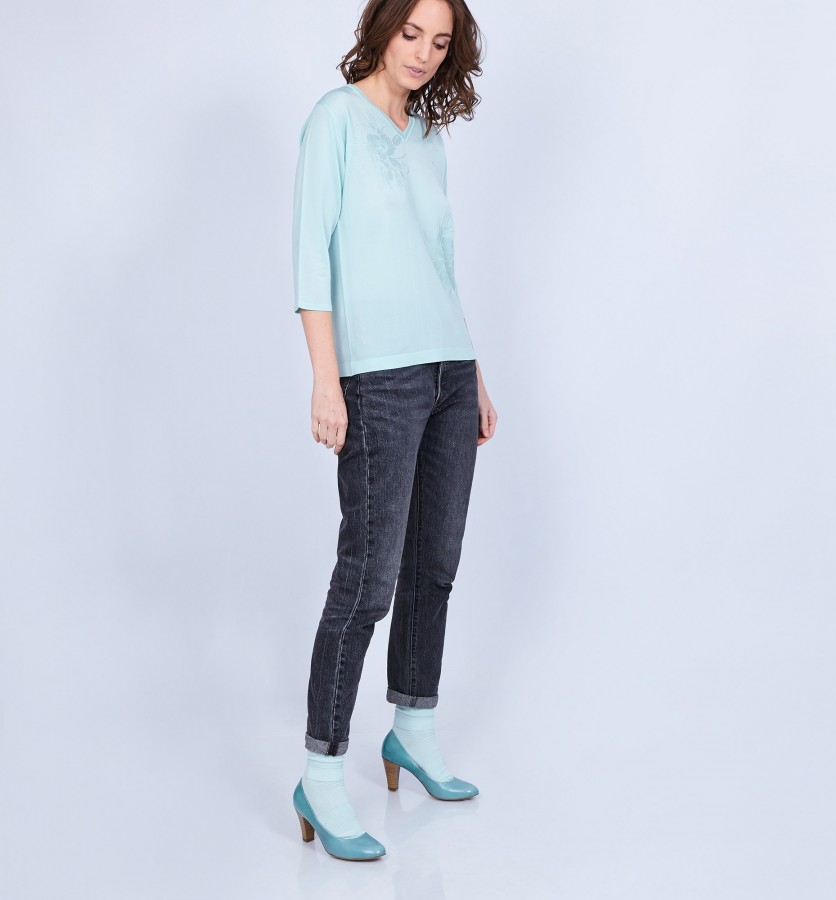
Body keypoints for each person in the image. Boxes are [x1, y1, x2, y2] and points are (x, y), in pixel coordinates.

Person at [289, 0, 497, 861]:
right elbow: (312, 251)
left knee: (434, 566)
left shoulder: (428, 137)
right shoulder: (335, 120)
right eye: (411, 33)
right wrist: (325, 378)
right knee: (367, 579)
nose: (423, 53)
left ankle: (412, 727)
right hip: (377, 376)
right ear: (381, 29)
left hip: (449, 369)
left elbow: (439, 260)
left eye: (440, 42)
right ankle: (321, 773)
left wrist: (475, 373)